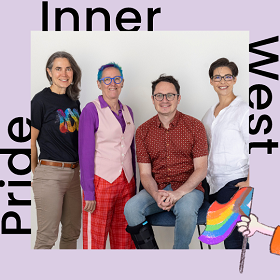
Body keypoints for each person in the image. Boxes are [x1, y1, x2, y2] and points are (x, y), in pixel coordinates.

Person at [124, 74, 208, 249]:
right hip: (158, 188)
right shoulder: (143, 131)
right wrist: (156, 195)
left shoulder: (195, 126)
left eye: (170, 95)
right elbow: (145, 173)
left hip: (189, 189)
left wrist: (178, 193)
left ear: (178, 99)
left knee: (185, 211)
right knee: (131, 208)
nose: (164, 100)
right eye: (159, 95)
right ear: (153, 99)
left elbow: (201, 169)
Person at [79, 62, 136, 249]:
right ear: (99, 84)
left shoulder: (128, 111)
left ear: (122, 82)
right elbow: (85, 153)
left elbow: (130, 148)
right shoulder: (91, 110)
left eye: (117, 79)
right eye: (107, 80)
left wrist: (134, 183)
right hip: (101, 181)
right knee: (95, 240)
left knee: (125, 238)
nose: (113, 83)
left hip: (127, 183)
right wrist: (88, 191)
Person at [31, 51, 82, 249]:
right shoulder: (40, 101)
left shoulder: (74, 101)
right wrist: (37, 173)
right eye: (58, 68)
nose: (64, 73)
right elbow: (30, 141)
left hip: (73, 174)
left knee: (71, 233)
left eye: (68, 68)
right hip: (50, 173)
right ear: (49, 72)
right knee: (46, 238)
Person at [202, 57, 249, 249]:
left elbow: (257, 147)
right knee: (224, 238)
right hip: (212, 184)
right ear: (211, 81)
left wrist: (250, 181)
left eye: (227, 76)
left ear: (235, 79)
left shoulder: (244, 111)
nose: (223, 81)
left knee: (235, 240)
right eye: (218, 77)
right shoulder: (209, 113)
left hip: (234, 182)